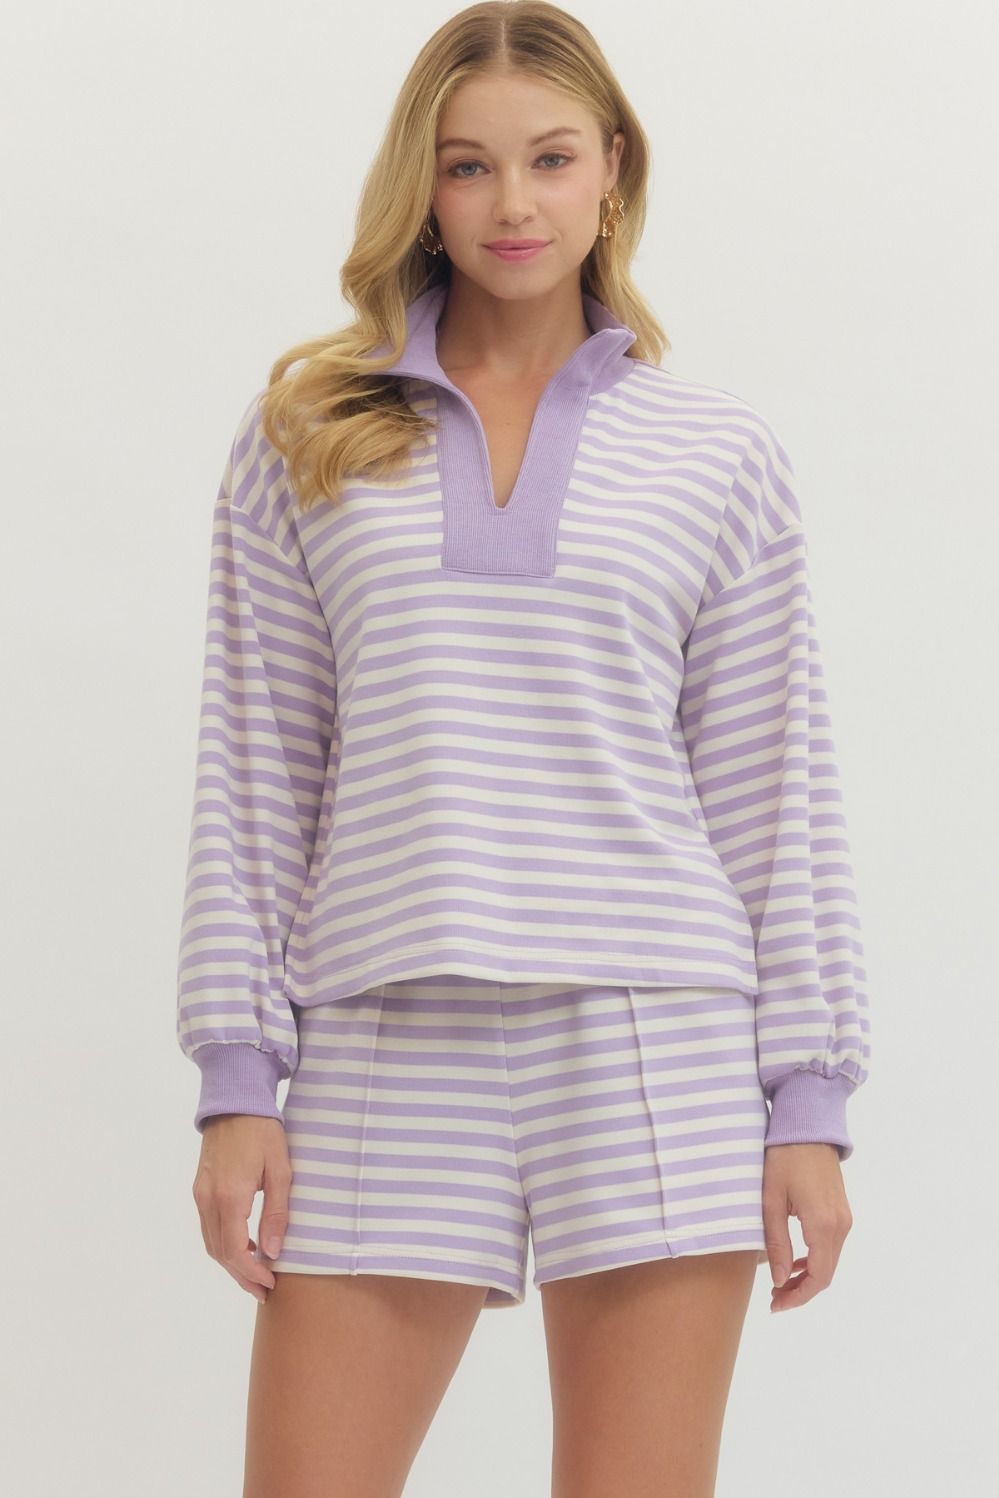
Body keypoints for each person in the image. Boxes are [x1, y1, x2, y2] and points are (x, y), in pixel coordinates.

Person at [176, 3, 871, 1493]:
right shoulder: (306, 436)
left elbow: (775, 792)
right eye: (468, 164)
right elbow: (256, 778)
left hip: (655, 1032)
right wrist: (238, 1082)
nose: (512, 203)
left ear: (613, 170)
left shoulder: (718, 454)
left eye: (551, 159)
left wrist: (808, 1106)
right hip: (387, 1026)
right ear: (421, 187)